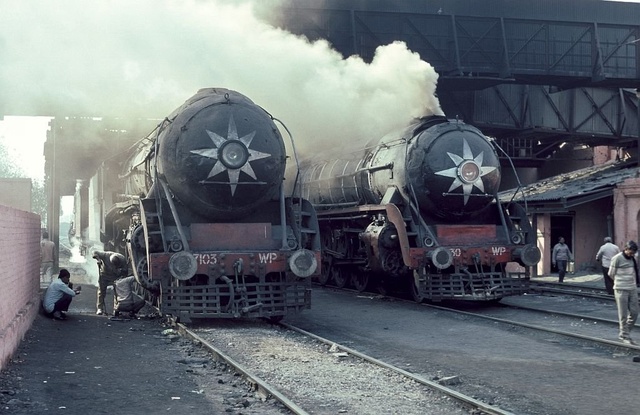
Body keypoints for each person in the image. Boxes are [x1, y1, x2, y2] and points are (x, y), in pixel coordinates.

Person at [608, 240, 639, 345]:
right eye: (630, 252)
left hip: (632, 288)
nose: (632, 254)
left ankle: (625, 332)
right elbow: (611, 274)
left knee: (634, 313)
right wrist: (620, 282)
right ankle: (625, 335)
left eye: (633, 253)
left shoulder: (633, 259)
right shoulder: (617, 258)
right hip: (621, 289)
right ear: (626, 249)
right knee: (623, 314)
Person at [92, 250, 127, 316]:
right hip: (104, 275)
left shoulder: (122, 259)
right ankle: (100, 308)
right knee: (101, 292)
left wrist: (122, 274)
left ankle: (116, 309)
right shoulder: (105, 255)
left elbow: (125, 271)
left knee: (117, 293)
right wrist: (98, 259)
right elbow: (95, 252)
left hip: (115, 276)